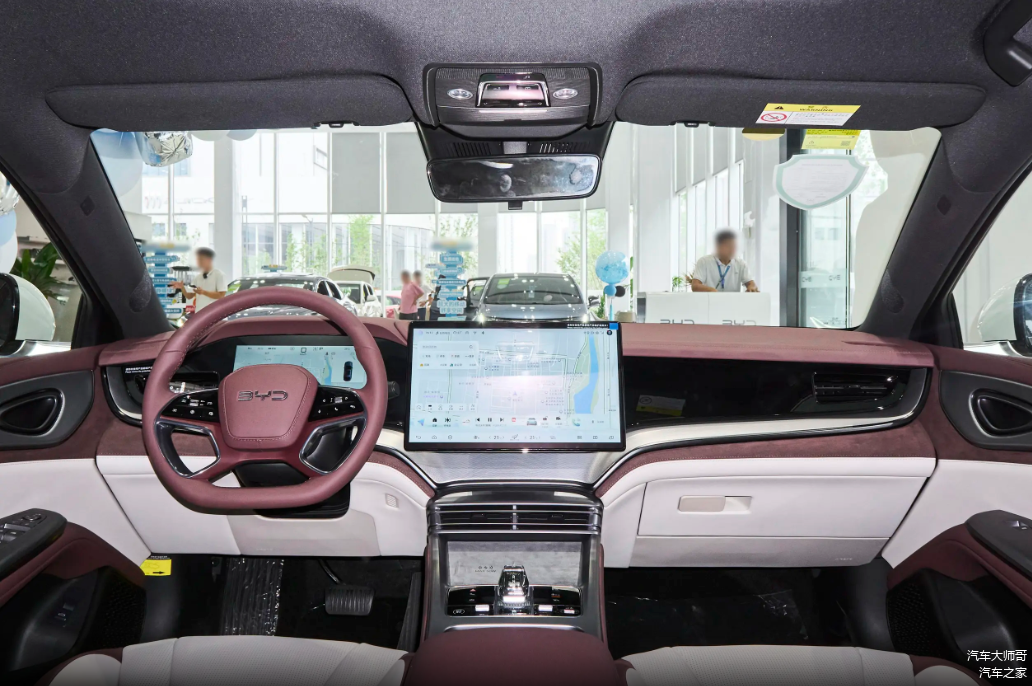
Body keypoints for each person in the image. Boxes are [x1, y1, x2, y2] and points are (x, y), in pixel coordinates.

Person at [691, 229, 759, 293]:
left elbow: (752, 284)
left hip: (732, 300)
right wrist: (711, 291)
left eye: (734, 246)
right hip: (710, 300)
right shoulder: (704, 261)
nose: (732, 250)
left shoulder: (741, 264)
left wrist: (752, 287)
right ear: (718, 246)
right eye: (729, 246)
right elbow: (695, 286)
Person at [171, 247, 227, 312]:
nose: (199, 262)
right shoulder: (198, 277)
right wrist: (182, 287)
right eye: (198, 260)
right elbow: (189, 296)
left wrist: (204, 292)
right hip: (199, 314)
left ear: (209, 260)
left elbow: (221, 295)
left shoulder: (219, 275)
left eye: (201, 259)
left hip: (213, 314)